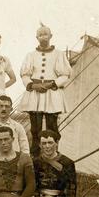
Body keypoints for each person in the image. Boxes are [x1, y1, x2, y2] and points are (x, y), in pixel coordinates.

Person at [19, 24, 72, 155]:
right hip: (35, 94)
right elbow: (24, 74)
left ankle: (53, 155)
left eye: (45, 34)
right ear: (37, 37)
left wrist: (52, 84)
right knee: (35, 128)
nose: (43, 37)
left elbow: (65, 74)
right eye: (40, 34)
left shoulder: (59, 54)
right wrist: (33, 85)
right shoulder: (31, 55)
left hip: (52, 94)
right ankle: (35, 156)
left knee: (52, 127)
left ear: (51, 36)